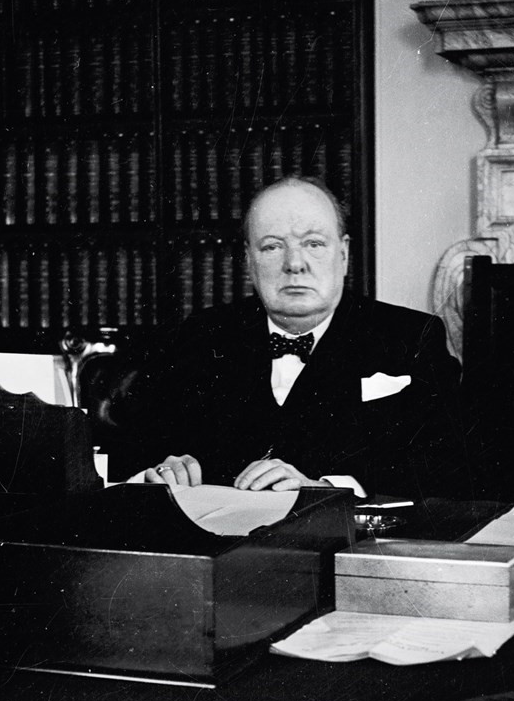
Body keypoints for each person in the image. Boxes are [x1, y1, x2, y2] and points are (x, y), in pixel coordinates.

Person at [116, 176, 469, 498]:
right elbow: (133, 448)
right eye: (272, 247)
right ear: (248, 260)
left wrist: (325, 490)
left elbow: (451, 468)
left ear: (343, 253)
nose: (294, 264)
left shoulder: (412, 336)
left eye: (314, 243)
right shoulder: (201, 334)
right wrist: (160, 470)